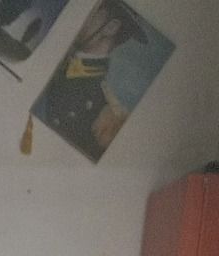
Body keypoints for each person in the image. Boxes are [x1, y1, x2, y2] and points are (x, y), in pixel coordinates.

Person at [37, 2, 145, 157]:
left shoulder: (103, 109)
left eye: (92, 13)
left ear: (110, 28)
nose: (82, 17)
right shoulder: (63, 59)